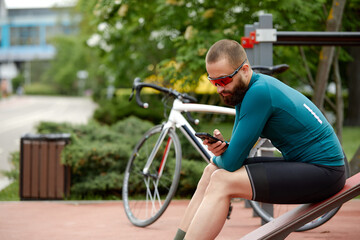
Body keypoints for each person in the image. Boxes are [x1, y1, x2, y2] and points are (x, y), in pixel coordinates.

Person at [173, 39, 345, 240]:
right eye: (214, 82)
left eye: (224, 80)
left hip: (325, 172)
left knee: (221, 179)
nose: (219, 89)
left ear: (245, 69)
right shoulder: (245, 92)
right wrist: (224, 149)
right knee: (212, 171)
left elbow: (230, 163)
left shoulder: (259, 92)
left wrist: (218, 157)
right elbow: (236, 150)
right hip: (306, 165)